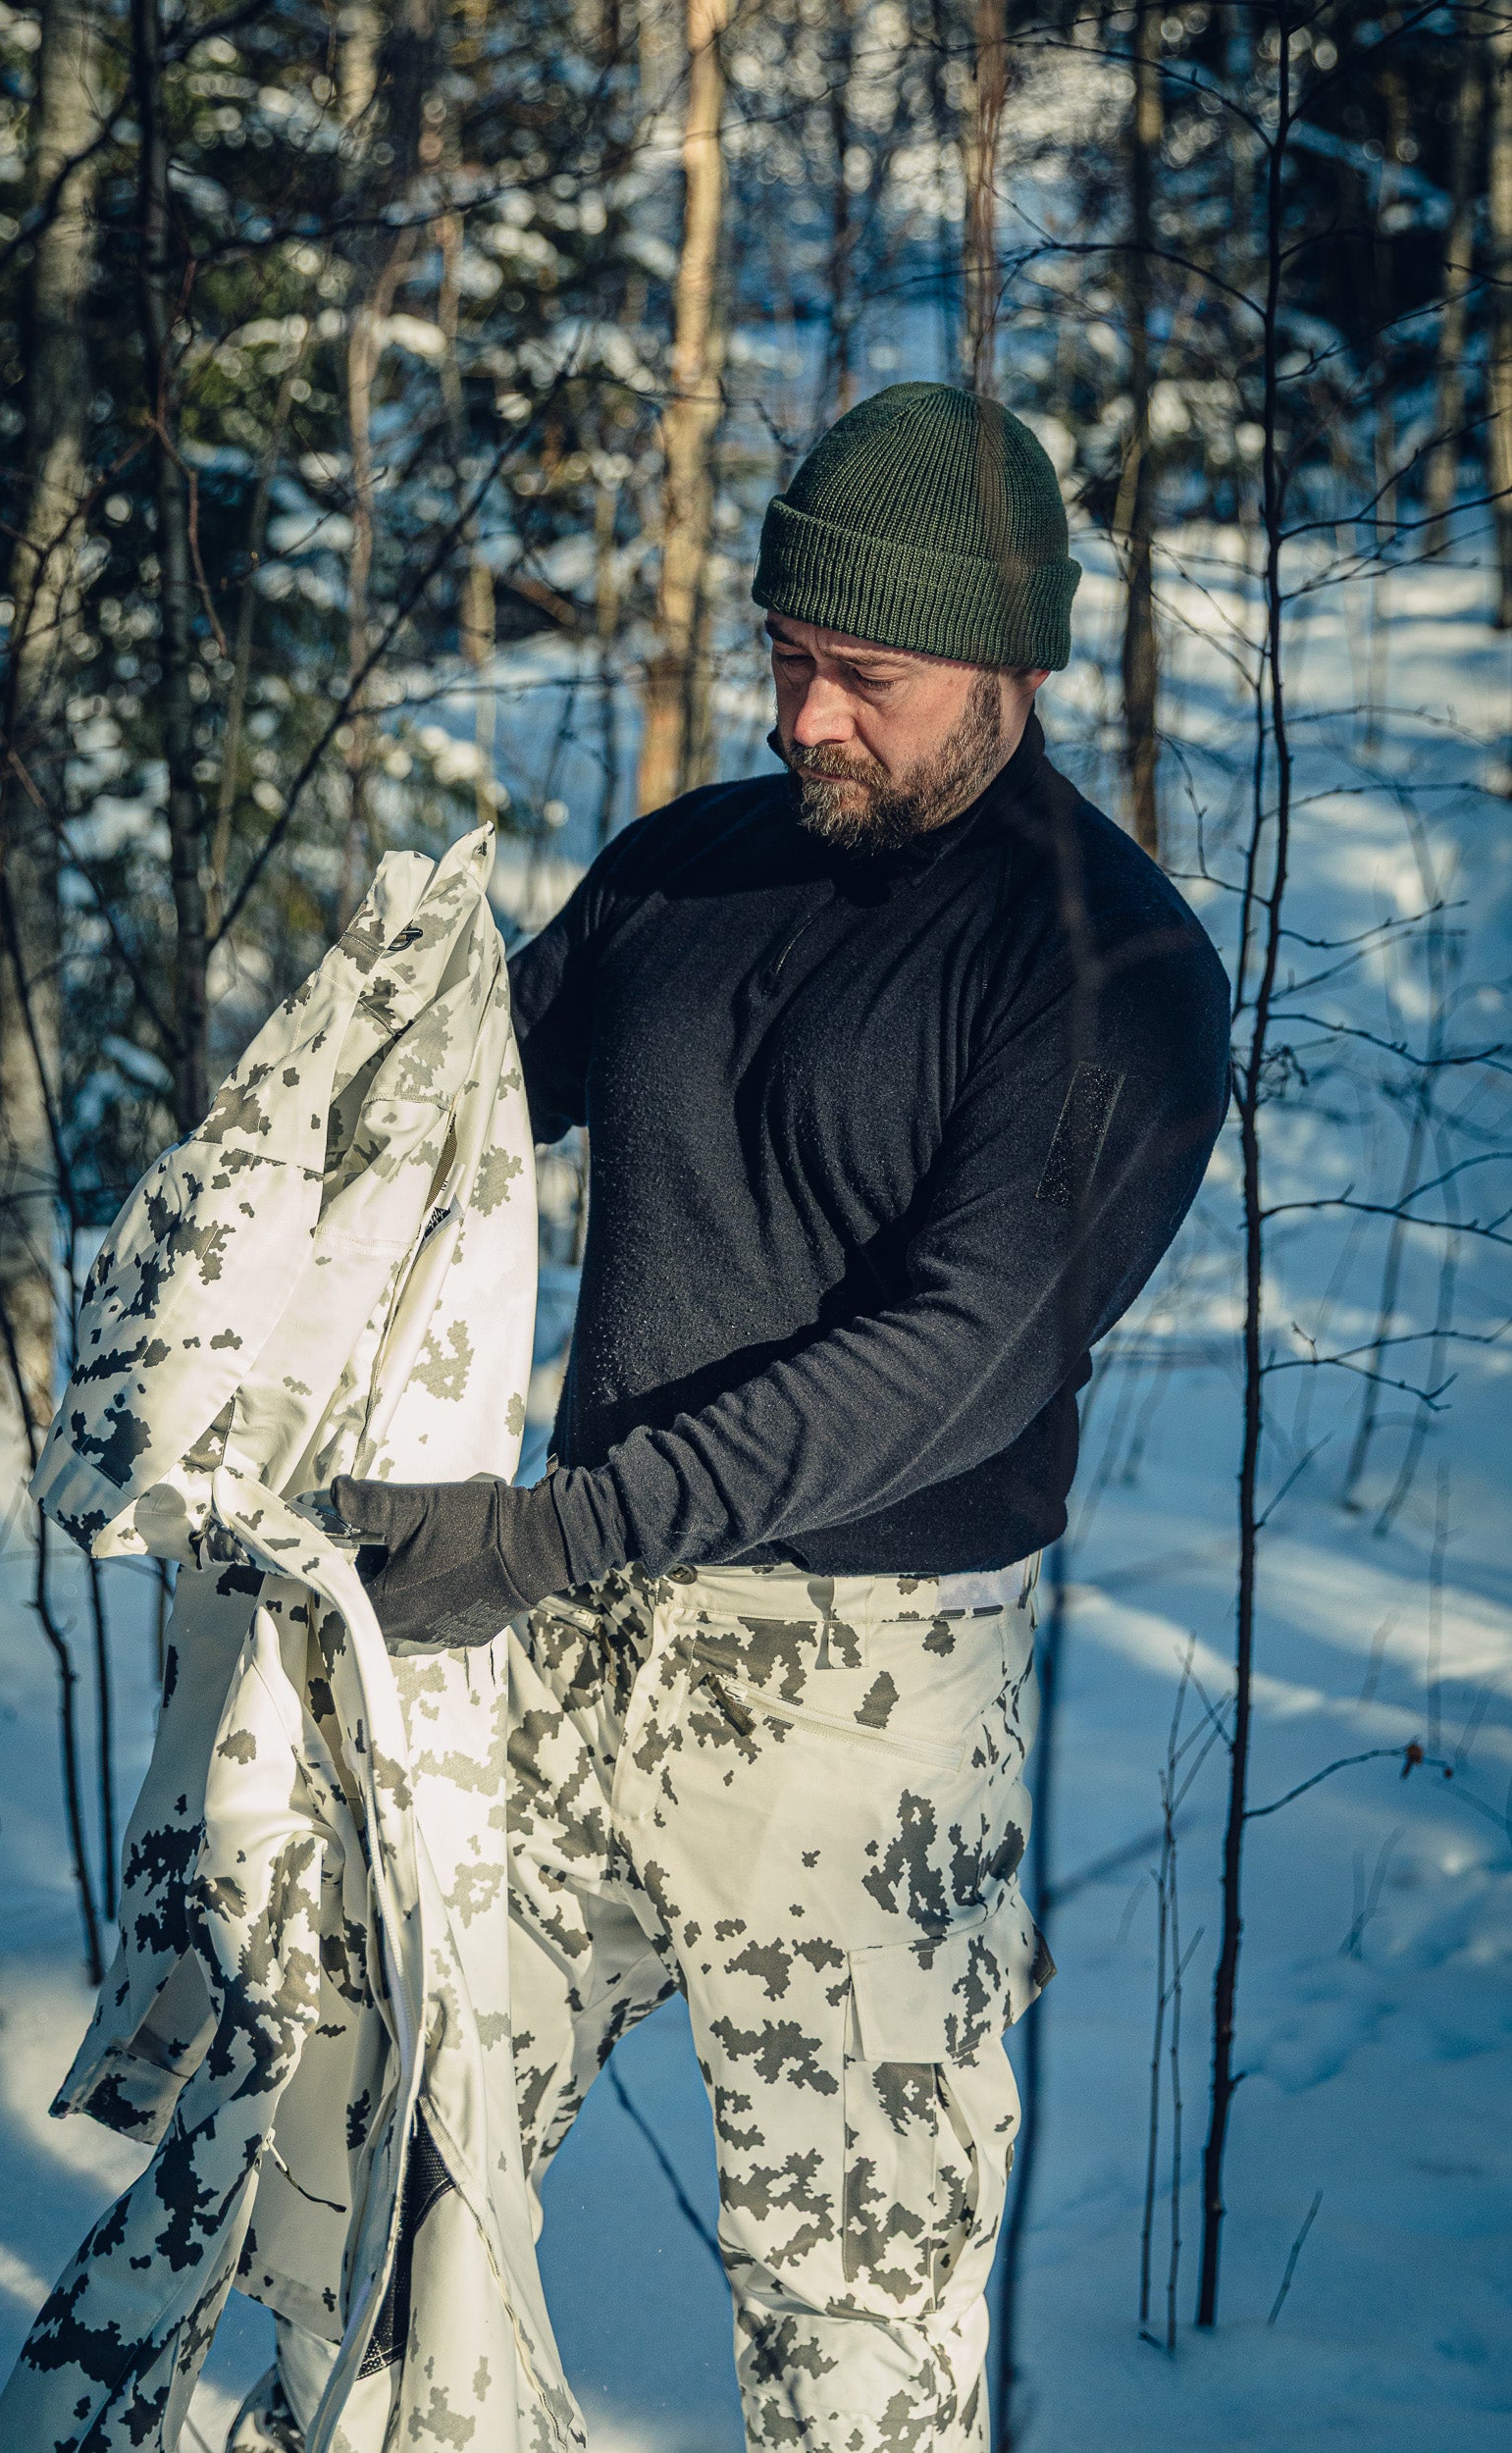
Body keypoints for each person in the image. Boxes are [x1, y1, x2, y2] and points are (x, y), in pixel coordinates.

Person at [333, 381, 1231, 2448]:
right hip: (570, 1655)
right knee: (404, 2165)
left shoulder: (1111, 976)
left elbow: (954, 1360)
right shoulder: (681, 874)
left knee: (860, 2331)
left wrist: (538, 1530)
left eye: (869, 677)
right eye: (788, 657)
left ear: (1014, 666)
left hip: (867, 1721)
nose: (809, 715)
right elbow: (433, 1116)